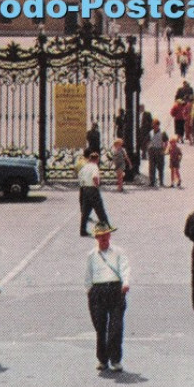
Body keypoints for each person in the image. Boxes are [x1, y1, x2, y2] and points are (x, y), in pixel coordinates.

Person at [85, 223, 129, 372]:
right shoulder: (91, 255)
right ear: (96, 238)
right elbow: (88, 275)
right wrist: (89, 291)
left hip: (115, 289)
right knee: (100, 327)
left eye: (105, 235)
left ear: (109, 235)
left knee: (116, 327)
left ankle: (115, 359)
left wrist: (125, 283)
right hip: (98, 291)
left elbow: (124, 268)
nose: (103, 238)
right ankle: (102, 360)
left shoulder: (118, 252)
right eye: (100, 236)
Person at [78, 150, 109, 236]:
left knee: (85, 211)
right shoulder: (94, 166)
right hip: (92, 188)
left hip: (85, 188)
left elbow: (80, 176)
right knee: (100, 209)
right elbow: (95, 177)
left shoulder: (85, 167)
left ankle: (82, 230)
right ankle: (107, 227)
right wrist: (97, 185)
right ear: (97, 159)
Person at [146, 121, 167, 189]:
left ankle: (161, 182)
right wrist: (148, 148)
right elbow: (148, 141)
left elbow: (166, 142)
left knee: (160, 167)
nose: (154, 126)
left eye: (155, 125)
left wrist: (164, 150)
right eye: (153, 125)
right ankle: (152, 182)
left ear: (158, 125)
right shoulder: (150, 132)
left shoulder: (163, 133)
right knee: (151, 167)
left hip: (159, 150)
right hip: (152, 150)